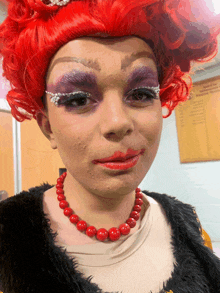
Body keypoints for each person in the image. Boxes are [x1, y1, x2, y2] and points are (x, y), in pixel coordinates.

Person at [0, 0, 220, 292]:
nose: (118, 122)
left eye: (141, 93)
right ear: (48, 126)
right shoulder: (6, 239)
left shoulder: (191, 228)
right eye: (78, 99)